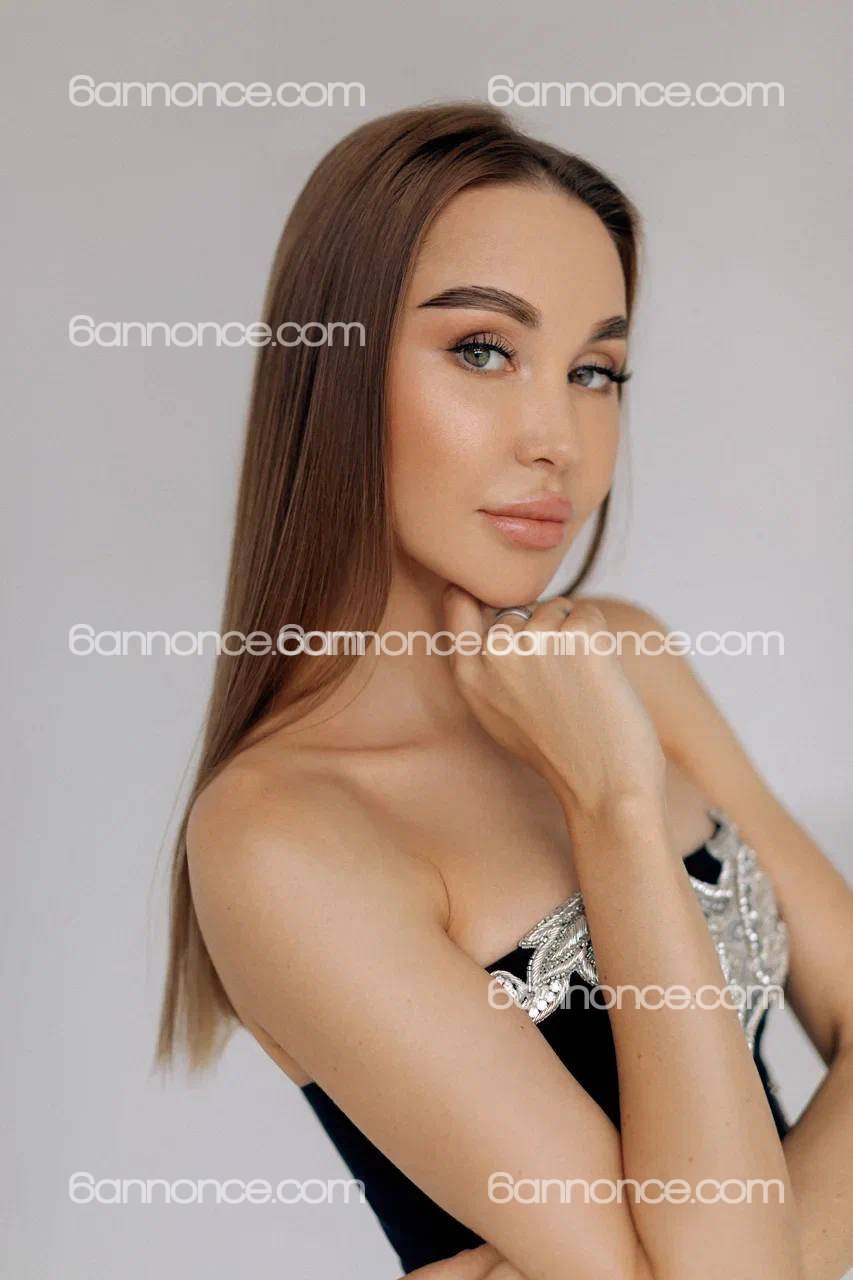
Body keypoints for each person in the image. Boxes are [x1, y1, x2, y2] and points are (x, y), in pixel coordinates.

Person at [154, 102, 853, 1280]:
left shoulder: (623, 657)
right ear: (333, 371)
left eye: (594, 370)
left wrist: (755, 1249)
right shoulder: (276, 835)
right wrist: (613, 803)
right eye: (482, 349)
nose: (558, 439)